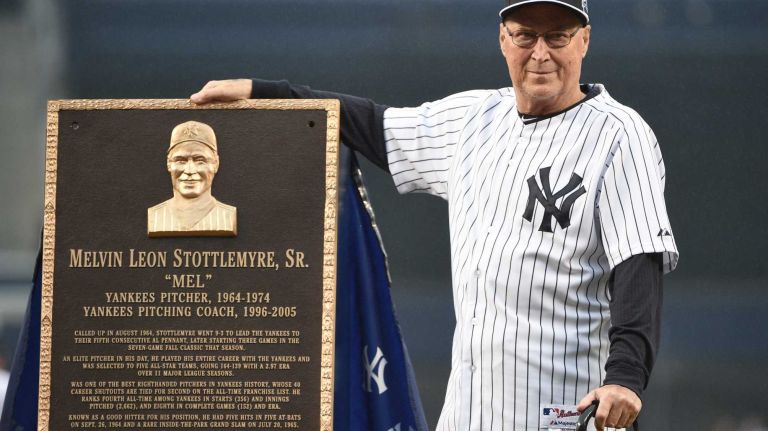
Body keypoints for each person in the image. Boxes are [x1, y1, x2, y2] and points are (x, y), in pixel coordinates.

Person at [190, 1, 679, 429]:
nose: (541, 52)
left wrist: (626, 378)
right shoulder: (472, 119)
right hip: (468, 415)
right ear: (503, 39)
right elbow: (369, 124)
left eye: (558, 35)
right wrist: (264, 92)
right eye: (526, 35)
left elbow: (638, 263)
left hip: (568, 413)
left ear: (584, 41)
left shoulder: (620, 135)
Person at [148, 120, 237, 237]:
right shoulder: (155, 216)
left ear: (216, 164)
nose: (190, 170)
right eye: (181, 160)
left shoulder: (227, 216)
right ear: (169, 163)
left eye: (200, 160)